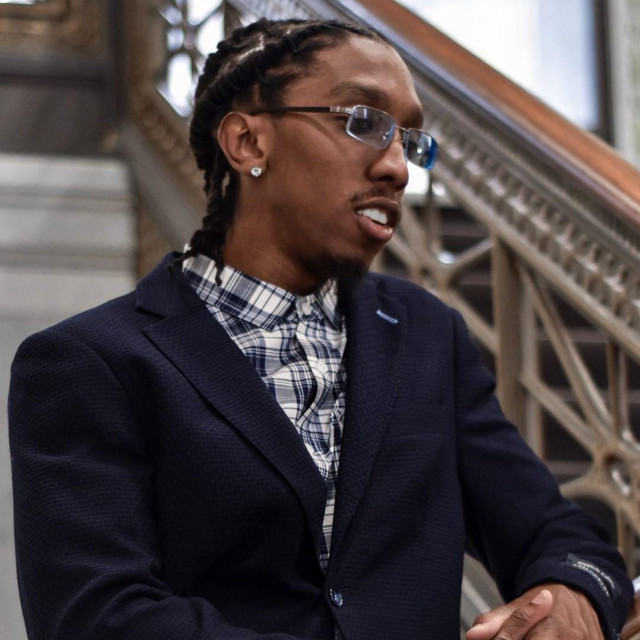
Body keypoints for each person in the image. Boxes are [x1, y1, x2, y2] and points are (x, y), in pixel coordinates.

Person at [9, 17, 633, 640]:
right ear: (248, 143)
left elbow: (560, 536)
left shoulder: (426, 334)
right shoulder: (90, 362)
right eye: (362, 121)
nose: (397, 168)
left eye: (409, 140)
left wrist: (569, 597)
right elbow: (96, 617)